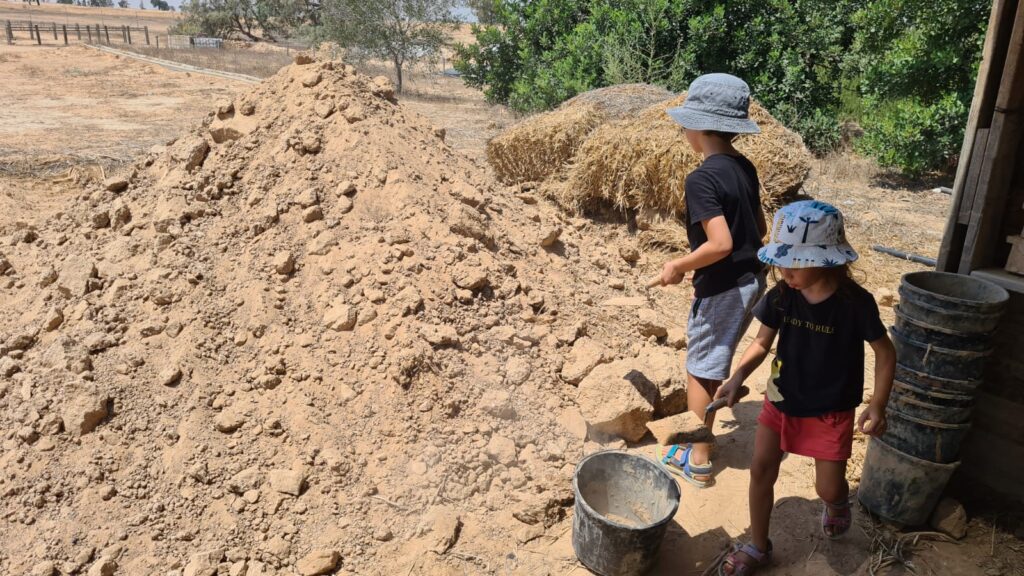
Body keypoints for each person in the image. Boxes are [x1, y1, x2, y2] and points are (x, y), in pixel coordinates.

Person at [713, 200, 896, 575]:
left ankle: (838, 502)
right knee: (761, 470)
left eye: (793, 262)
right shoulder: (782, 295)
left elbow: (885, 352)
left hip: (830, 409)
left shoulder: (855, 304)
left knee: (827, 487)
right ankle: (758, 546)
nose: (783, 270)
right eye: (780, 261)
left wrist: (878, 405)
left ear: (827, 259)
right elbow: (762, 343)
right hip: (781, 399)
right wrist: (736, 378)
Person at [656, 73, 768, 487]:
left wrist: (679, 265)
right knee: (714, 361)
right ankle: (700, 443)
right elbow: (758, 227)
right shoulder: (744, 166)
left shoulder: (701, 178)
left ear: (698, 128)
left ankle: (698, 458)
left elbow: (719, 243)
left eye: (685, 123)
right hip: (752, 279)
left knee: (700, 370)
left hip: (723, 286)